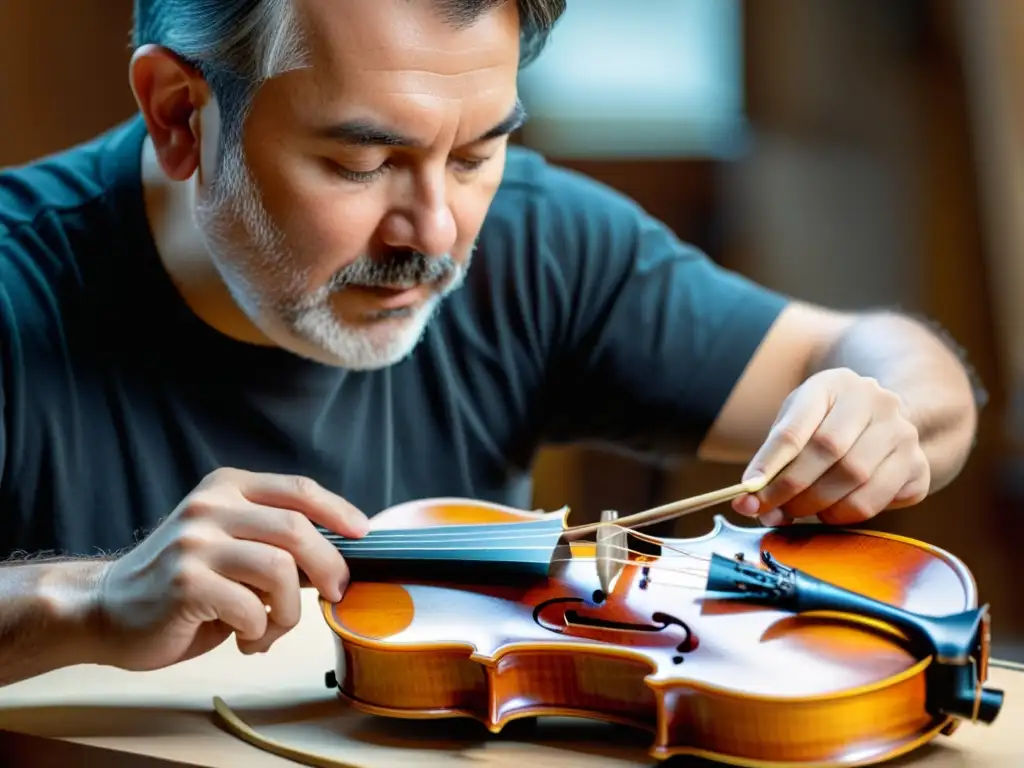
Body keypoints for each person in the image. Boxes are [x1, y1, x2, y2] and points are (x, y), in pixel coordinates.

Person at [0, 0, 981, 688]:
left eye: (475, 152)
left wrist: (877, 413)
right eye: (362, 162)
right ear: (180, 113)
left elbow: (899, 367)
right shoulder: (16, 286)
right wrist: (82, 602)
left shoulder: (540, 240)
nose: (435, 230)